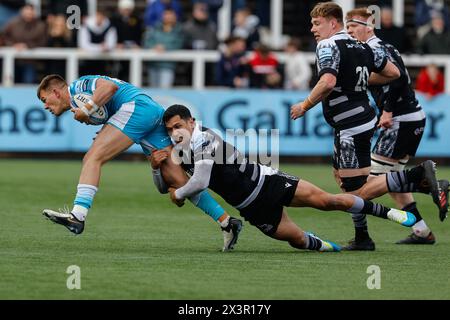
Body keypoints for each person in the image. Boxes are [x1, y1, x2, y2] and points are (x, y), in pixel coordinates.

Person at [154, 104, 423, 253]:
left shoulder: (205, 139)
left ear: (191, 122)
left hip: (267, 182)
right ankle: (331, 247)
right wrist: (157, 168)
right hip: (251, 207)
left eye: (179, 126)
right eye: (170, 129)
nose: (175, 132)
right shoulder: (178, 147)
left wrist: (177, 195)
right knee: (298, 241)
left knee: (328, 201)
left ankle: (388, 213)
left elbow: (198, 183)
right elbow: (162, 185)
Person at [290, 2, 448, 250]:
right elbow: (394, 72)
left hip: (353, 123)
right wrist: (355, 79)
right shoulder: (364, 47)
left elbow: (328, 81)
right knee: (344, 180)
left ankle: (416, 179)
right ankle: (375, 233)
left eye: (316, 23)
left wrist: (305, 105)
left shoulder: (328, 45)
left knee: (356, 193)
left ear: (333, 23)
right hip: (359, 119)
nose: (312, 29)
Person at [36, 74, 242, 252]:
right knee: (177, 180)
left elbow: (109, 87)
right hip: (148, 115)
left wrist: (88, 109)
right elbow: (110, 104)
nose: (45, 106)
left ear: (56, 92)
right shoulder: (76, 103)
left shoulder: (78, 87)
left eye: (45, 99)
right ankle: (226, 222)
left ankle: (78, 216)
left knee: (92, 158)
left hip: (138, 110)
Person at [346, 7, 447, 244]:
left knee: (366, 189)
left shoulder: (374, 48)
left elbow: (399, 77)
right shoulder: (383, 46)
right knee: (392, 181)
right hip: (410, 118)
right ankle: (422, 231)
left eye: (353, 27)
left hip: (401, 120)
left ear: (368, 27)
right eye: (347, 27)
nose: (349, 31)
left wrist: (388, 110)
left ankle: (427, 180)